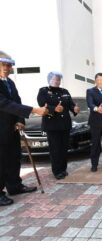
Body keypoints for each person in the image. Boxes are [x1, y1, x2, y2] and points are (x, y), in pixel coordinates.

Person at [0, 51, 48, 206]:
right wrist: (34, 110)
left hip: (12, 129)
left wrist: (21, 120)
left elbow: (17, 101)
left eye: (9, 65)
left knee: (14, 158)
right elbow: (5, 104)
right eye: (3, 64)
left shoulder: (10, 82)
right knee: (1, 161)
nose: (7, 68)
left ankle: (15, 186)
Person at [37, 72, 80, 179]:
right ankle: (57, 171)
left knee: (64, 148)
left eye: (59, 79)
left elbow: (71, 104)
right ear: (49, 80)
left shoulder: (64, 91)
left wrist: (75, 109)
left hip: (65, 125)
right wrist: (53, 109)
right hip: (52, 125)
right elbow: (42, 104)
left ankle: (63, 169)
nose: (57, 81)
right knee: (55, 149)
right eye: (55, 79)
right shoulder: (43, 91)